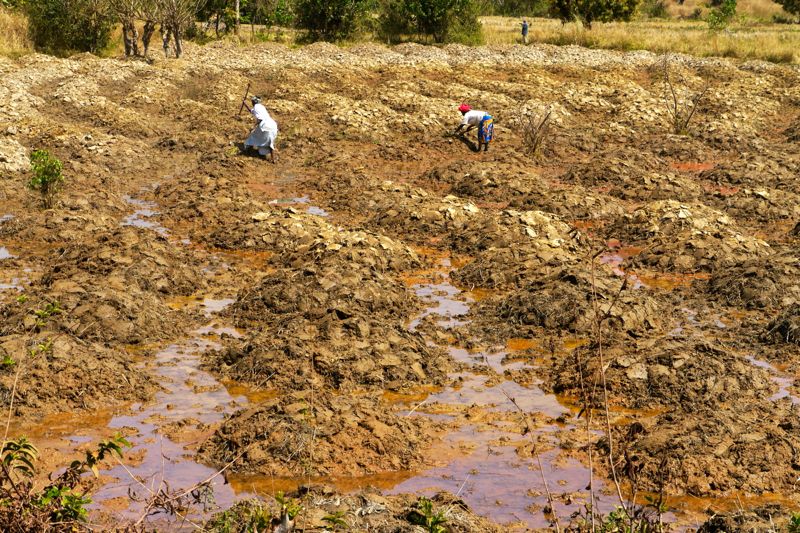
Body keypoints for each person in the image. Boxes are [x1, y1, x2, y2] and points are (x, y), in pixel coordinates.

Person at [241, 95, 278, 163]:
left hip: (265, 125)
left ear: (253, 102)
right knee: (270, 142)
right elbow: (252, 111)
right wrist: (245, 104)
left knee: (252, 136)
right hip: (272, 124)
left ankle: (247, 151)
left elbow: (259, 119)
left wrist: (253, 126)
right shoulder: (261, 107)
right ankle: (273, 159)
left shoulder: (256, 107)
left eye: (252, 102)